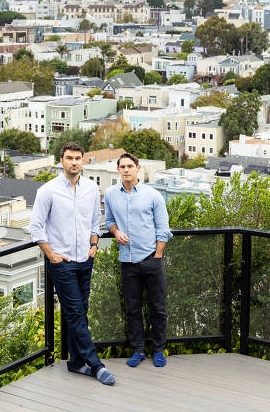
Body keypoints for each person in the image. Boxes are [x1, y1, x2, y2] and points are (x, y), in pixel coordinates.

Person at [29, 142, 115, 386]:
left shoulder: (91, 189)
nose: (74, 162)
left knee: (80, 311)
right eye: (69, 158)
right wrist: (51, 255)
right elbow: (36, 227)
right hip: (62, 262)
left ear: (83, 160)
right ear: (61, 161)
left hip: (85, 260)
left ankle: (76, 362)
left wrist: (94, 246)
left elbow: (94, 221)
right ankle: (96, 365)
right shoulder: (48, 191)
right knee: (76, 312)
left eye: (78, 158)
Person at [104, 152, 172, 368]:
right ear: (118, 170)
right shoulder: (110, 194)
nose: (126, 170)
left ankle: (158, 350)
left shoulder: (153, 195)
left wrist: (157, 256)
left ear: (138, 168)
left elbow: (163, 229)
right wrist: (116, 232)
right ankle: (138, 350)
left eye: (130, 166)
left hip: (151, 259)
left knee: (157, 308)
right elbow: (109, 221)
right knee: (132, 309)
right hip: (127, 261)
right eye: (122, 167)